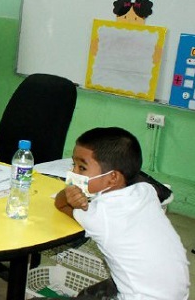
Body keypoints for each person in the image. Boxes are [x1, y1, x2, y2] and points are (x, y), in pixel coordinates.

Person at [54, 127, 189, 299]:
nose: (73, 172)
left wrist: (69, 193)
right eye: (73, 164)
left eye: (81, 167)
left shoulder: (99, 214)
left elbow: (60, 204)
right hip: (175, 294)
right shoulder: (146, 190)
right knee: (87, 295)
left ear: (113, 178)